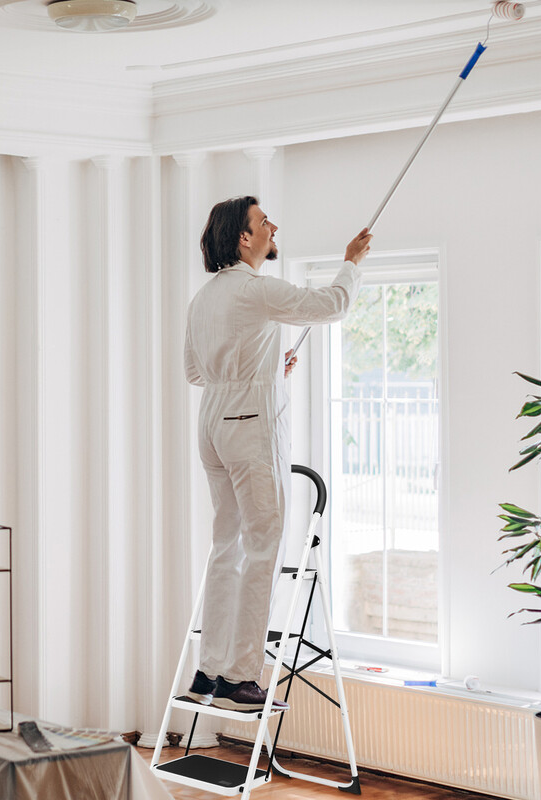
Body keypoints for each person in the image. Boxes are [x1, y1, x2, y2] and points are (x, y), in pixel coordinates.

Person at [183, 196, 371, 710]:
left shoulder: (203, 299)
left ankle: (209, 670)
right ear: (245, 239)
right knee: (263, 545)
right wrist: (351, 260)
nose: (273, 226)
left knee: (227, 545)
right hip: (248, 423)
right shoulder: (255, 290)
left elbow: (195, 374)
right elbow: (333, 304)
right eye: (264, 222)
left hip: (212, 423)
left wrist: (264, 368)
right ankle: (241, 678)